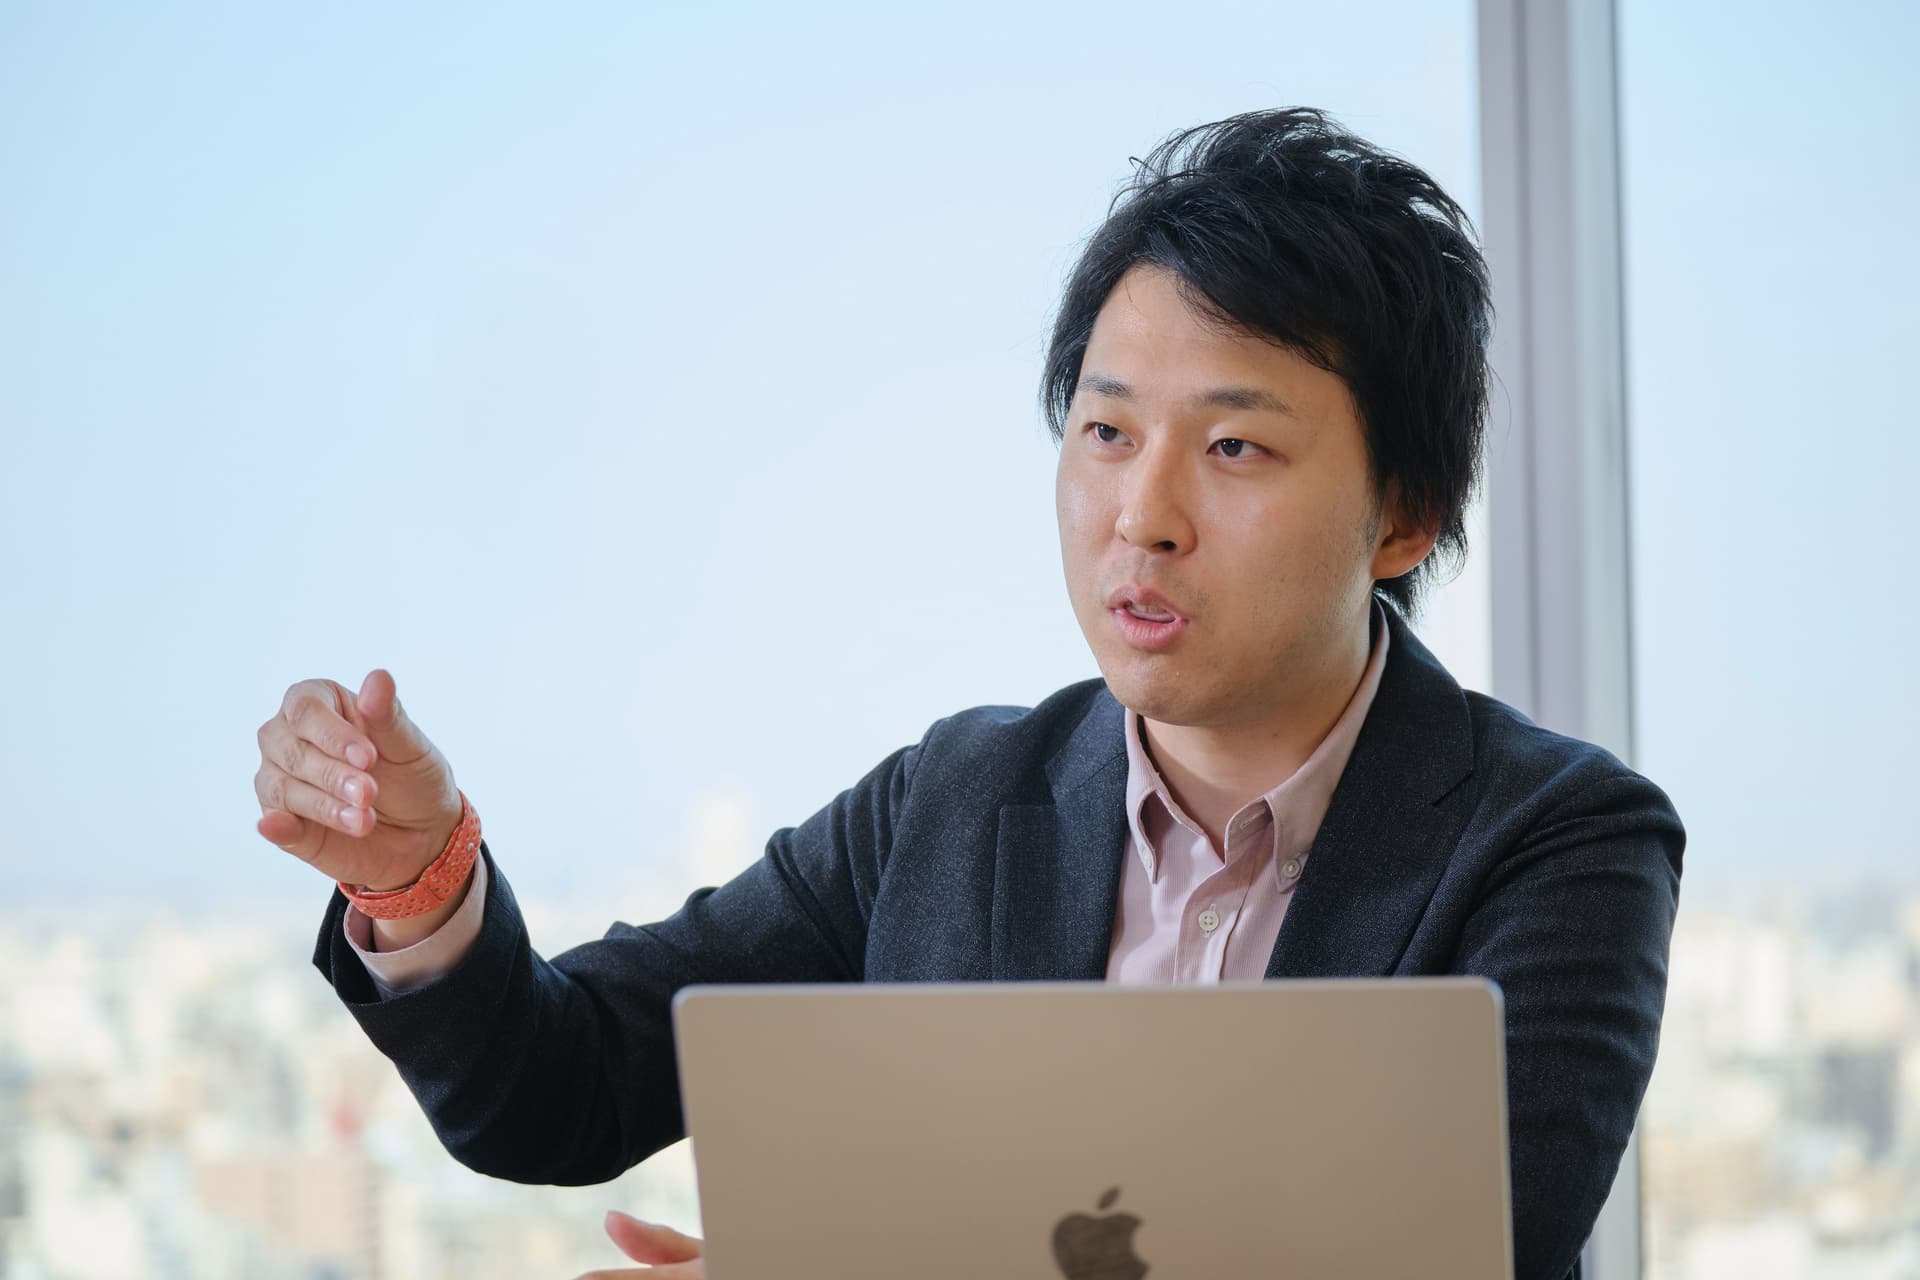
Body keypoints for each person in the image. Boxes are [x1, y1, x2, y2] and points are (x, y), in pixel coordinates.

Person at [252, 107, 1683, 1280]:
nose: (1145, 513)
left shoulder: (1561, 841)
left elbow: (1444, 1264)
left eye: (1234, 450)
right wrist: (418, 885)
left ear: (1406, 514)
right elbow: (564, 1084)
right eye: (1106, 431)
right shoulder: (951, 800)